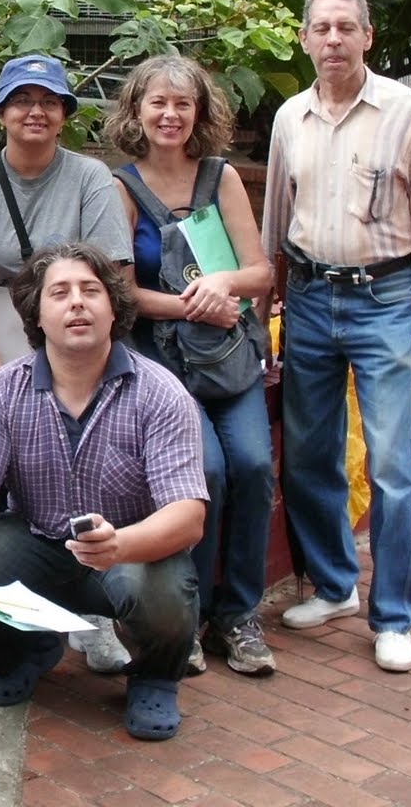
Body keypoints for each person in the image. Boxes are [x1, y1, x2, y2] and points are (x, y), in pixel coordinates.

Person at [0, 242, 206, 742]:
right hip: (38, 541)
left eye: (91, 290)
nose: (77, 302)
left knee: (162, 594)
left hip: (130, 549)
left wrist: (119, 544)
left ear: (113, 308)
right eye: (60, 293)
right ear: (36, 315)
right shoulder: (3, 391)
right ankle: (24, 655)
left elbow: (188, 515)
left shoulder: (161, 392)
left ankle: (155, 678)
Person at [261, 0, 411, 674]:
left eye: (347, 27)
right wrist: (267, 308)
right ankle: (335, 585)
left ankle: (395, 615)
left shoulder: (409, 113)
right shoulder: (290, 118)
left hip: (386, 299)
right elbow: (275, 223)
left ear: (368, 36)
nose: (334, 39)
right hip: (309, 298)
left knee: (391, 463)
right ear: (305, 39)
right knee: (310, 454)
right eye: (322, 28)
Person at [0, 53, 133, 674]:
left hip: (78, 342)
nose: (35, 112)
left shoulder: (91, 179)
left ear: (65, 114)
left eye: (49, 101)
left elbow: (110, 276)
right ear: (0, 112)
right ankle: (5, 615)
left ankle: (95, 614)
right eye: (22, 100)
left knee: (86, 469)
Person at [106, 54, 276, 677]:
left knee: (253, 466)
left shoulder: (221, 177)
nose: (170, 114)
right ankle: (190, 611)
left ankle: (239, 614)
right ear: (137, 111)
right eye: (158, 102)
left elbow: (260, 272)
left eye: (183, 103)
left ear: (199, 112)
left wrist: (223, 284)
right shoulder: (122, 188)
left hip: (228, 358)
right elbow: (122, 293)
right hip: (163, 365)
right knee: (205, 471)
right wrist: (191, 304)